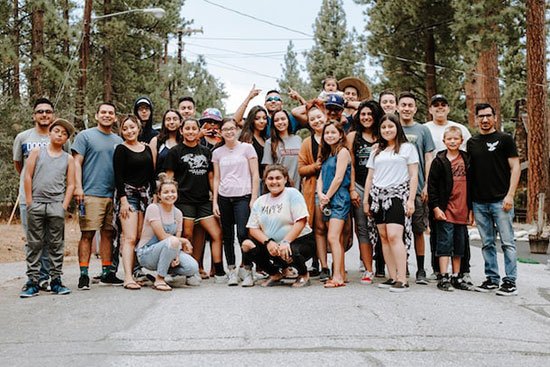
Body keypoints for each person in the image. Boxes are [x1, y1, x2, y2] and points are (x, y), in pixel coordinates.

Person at [164, 117, 225, 284]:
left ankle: (209, 269)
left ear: (198, 131)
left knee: (216, 233)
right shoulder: (175, 152)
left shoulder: (206, 152)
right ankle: (187, 270)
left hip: (203, 200)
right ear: (181, 131)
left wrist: (216, 198)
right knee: (188, 234)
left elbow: (211, 177)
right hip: (184, 200)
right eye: (187, 129)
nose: (190, 132)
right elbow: (169, 178)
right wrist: (167, 201)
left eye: (193, 129)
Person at [468, 103, 520, 296]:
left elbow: (515, 168)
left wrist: (510, 195)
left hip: (501, 201)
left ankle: (510, 281)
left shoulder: (505, 139)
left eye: (488, 116)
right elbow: (471, 174)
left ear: (495, 117)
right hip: (479, 202)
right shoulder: (472, 143)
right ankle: (492, 278)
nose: (485, 120)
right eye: (481, 116)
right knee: (487, 243)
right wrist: (471, 205)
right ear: (476, 119)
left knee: (507, 242)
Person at [20, 118, 75, 298]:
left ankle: (56, 280)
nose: (60, 135)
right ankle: (33, 281)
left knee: (56, 244)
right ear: (50, 133)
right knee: (34, 243)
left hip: (56, 205)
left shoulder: (68, 159)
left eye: (64, 133)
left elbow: (70, 185)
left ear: (67, 139)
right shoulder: (37, 151)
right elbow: (27, 176)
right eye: (57, 131)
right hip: (36, 203)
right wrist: (29, 201)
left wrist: (63, 206)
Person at [364, 113, 419, 292]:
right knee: (384, 238)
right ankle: (392, 276)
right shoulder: (376, 151)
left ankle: (402, 278)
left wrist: (411, 200)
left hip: (397, 196)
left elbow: (413, 176)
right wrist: (366, 200)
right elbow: (370, 176)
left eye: (390, 126)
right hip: (378, 197)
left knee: (395, 236)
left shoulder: (407, 148)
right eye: (384, 127)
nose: (387, 130)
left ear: (397, 128)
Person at [72, 102, 124, 290]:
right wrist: (78, 187)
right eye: (103, 112)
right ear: (96, 115)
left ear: (115, 117)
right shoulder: (85, 136)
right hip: (91, 193)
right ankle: (83, 274)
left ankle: (107, 272)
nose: (107, 115)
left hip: (113, 195)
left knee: (109, 234)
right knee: (87, 234)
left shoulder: (119, 140)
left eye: (111, 113)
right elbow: (76, 163)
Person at [424, 94, 473, 285]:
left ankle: (457, 275)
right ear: (444, 141)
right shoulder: (439, 158)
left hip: (462, 208)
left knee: (459, 244)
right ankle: (441, 274)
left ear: (461, 140)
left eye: (443, 105)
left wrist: (471, 209)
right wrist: (435, 205)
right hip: (444, 206)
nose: (453, 141)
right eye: (435, 105)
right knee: (442, 241)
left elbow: (472, 183)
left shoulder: (466, 159)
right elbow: (433, 184)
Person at [242, 164, 315, 288]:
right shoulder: (260, 201)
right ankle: (275, 274)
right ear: (265, 181)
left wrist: (286, 241)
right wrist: (268, 242)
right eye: (270, 178)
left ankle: (303, 274)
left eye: (278, 178)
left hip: (299, 243)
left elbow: (301, 221)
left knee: (290, 249)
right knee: (247, 245)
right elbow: (253, 228)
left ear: (285, 179)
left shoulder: (292, 194)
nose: (274, 181)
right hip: (273, 246)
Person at [13, 97, 57, 291]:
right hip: (29, 198)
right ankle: (33, 277)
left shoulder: (58, 136)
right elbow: (19, 166)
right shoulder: (23, 138)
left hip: (53, 198)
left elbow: (66, 162)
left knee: (49, 240)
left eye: (48, 111)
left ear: (53, 115)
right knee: (33, 240)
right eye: (40, 111)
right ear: (34, 116)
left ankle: (46, 278)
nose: (44, 114)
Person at [212, 118, 259, 286]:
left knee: (242, 233)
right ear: (220, 132)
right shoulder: (217, 153)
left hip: (243, 196)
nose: (229, 132)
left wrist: (254, 198)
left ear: (237, 129)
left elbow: (255, 175)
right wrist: (215, 202)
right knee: (227, 235)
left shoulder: (247, 148)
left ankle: (247, 270)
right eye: (225, 129)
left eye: (232, 128)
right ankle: (231, 270)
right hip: (224, 197)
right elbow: (217, 178)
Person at [135, 174, 199, 291]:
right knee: (172, 241)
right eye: (166, 192)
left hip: (169, 249)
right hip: (147, 253)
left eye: (173, 192)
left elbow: (176, 241)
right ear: (159, 195)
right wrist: (184, 241)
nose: (170, 195)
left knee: (193, 267)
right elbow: (162, 236)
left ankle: (166, 275)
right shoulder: (153, 208)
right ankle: (160, 279)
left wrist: (175, 257)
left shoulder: (178, 213)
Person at [113, 115, 156, 290]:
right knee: (129, 238)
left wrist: (153, 196)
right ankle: (128, 277)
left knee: (139, 237)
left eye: (132, 127)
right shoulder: (121, 149)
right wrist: (123, 201)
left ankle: (137, 271)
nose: (129, 131)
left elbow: (151, 175)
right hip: (128, 197)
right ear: (121, 132)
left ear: (138, 128)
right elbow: (118, 177)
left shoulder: (146, 149)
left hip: (144, 197)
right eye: (125, 129)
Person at [397, 91, 435, 285]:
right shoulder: (392, 127)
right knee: (398, 231)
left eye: (410, 105)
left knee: (418, 229)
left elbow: (428, 158)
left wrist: (427, 184)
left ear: (415, 108)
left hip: (417, 188)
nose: (406, 108)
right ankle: (401, 266)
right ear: (397, 107)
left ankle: (420, 269)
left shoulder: (422, 130)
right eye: (403, 105)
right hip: (395, 189)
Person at [347, 100, 383, 284]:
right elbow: (350, 164)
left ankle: (386, 268)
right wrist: (352, 189)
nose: (366, 117)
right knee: (363, 229)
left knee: (383, 228)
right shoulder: (353, 136)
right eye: (363, 114)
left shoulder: (383, 134)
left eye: (370, 114)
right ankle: (368, 269)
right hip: (360, 186)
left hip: (382, 187)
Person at [317, 121, 352, 288]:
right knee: (334, 237)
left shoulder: (343, 152)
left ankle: (337, 276)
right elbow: (320, 177)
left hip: (338, 198)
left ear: (340, 135)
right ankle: (341, 273)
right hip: (327, 198)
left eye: (333, 132)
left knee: (332, 237)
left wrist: (327, 197)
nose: (329, 135)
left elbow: (339, 178)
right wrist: (320, 194)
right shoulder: (327, 154)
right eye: (326, 133)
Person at [298, 100, 330, 281]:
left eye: (319, 117)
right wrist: (315, 166)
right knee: (318, 227)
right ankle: (321, 264)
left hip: (335, 188)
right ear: (309, 123)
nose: (317, 121)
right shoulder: (307, 142)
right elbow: (301, 169)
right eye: (312, 119)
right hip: (314, 190)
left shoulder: (334, 135)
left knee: (335, 228)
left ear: (325, 117)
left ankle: (337, 264)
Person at [233, 86, 304, 134]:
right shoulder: (261, 121)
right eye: (269, 100)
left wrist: (300, 98)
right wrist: (249, 98)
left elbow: (312, 113)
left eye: (276, 99)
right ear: (265, 104)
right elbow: (236, 121)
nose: (273, 101)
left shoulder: (291, 119)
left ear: (282, 103)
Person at [262, 109, 302, 190]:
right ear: (273, 124)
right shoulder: (269, 143)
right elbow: (268, 170)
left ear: (288, 120)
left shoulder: (298, 139)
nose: (280, 122)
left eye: (283, 119)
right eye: (276, 120)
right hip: (279, 189)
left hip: (298, 189)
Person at [239, 105, 269, 184]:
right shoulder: (247, 138)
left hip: (265, 181)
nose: (262, 121)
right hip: (250, 182)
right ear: (251, 120)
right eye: (257, 118)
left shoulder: (266, 138)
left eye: (264, 118)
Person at [150, 109, 183, 175]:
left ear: (180, 122)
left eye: (175, 119)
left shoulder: (185, 141)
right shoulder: (156, 141)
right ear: (164, 122)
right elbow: (151, 167)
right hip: (161, 182)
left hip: (183, 183)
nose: (171, 122)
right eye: (168, 119)